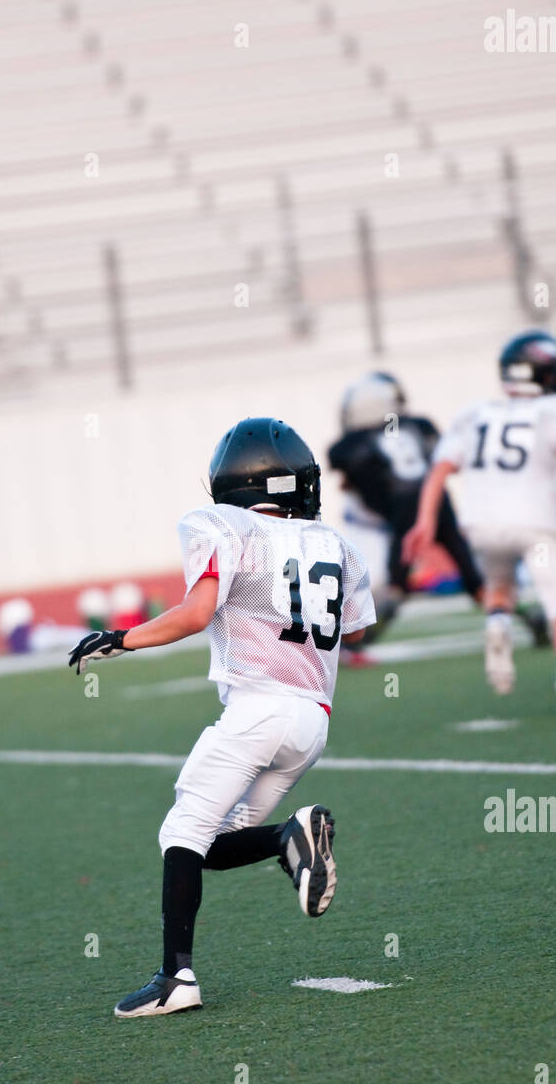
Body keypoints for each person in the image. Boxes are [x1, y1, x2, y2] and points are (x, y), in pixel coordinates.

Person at [68, 417, 375, 1018]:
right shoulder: (335, 543)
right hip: (312, 721)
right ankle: (290, 838)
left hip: (256, 710)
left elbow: (195, 612)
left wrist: (121, 640)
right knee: (212, 843)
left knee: (180, 832)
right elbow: (356, 625)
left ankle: (175, 978)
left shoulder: (222, 525)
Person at [403, 332, 556, 713]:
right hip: (537, 520)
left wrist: (424, 519)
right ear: (548, 373)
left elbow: (441, 468)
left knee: (500, 584)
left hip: (481, 524)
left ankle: (498, 624)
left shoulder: (475, 413)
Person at [328, 371, 484, 656]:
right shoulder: (419, 426)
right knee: (469, 571)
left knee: (394, 584)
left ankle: (359, 639)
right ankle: (509, 615)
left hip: (401, 512)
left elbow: (352, 475)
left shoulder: (351, 447)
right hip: (436, 502)